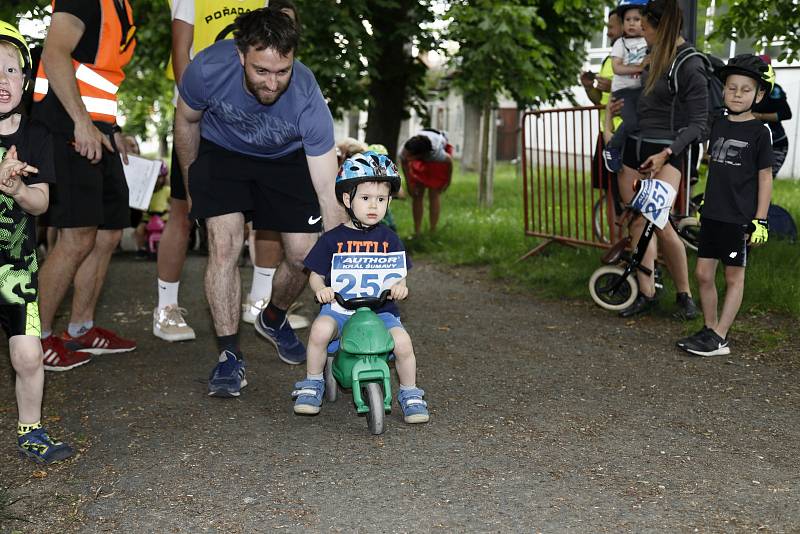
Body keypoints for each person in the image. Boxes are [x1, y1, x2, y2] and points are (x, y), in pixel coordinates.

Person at [174, 8, 344, 397]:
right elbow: (186, 121)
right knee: (224, 245)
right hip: (222, 153)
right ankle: (229, 356)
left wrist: (339, 249)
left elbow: (324, 183)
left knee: (306, 255)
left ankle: (273, 316)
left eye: (282, 71)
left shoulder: (306, 95)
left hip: (284, 159)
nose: (272, 83)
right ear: (240, 56)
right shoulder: (207, 68)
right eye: (261, 71)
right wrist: (192, 183)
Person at [31, 0, 138, 368]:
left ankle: (81, 329)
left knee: (107, 232)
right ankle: (36, 340)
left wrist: (113, 128)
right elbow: (55, 52)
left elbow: (97, 77)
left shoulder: (120, 6)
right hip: (66, 126)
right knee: (77, 236)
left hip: (97, 127)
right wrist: (80, 122)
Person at [154, 0, 268, 342]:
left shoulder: (259, 1)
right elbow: (180, 53)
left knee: (255, 214)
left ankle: (257, 302)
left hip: (245, 122)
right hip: (199, 118)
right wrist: (196, 107)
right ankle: (166, 308)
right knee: (183, 211)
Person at [293, 151, 429, 423]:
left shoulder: (389, 239)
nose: (373, 206)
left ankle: (410, 392)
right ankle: (312, 382)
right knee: (320, 331)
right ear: (347, 199)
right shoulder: (332, 239)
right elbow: (315, 274)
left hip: (380, 309)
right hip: (340, 308)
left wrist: (400, 286)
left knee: (402, 343)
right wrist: (321, 288)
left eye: (381, 199)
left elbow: (397, 273)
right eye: (365, 198)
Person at [0, 21, 74, 463]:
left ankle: (31, 430)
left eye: (10, 70)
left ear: (25, 81)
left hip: (16, 268)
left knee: (29, 357)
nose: (0, 80)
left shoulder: (36, 137)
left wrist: (16, 191)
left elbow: (42, 203)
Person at [676, 56, 774, 357]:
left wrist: (761, 220)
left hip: (738, 219)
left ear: (758, 95)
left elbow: (765, 178)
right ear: (724, 91)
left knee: (733, 277)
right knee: (704, 274)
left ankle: (720, 338)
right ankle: (709, 327)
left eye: (746, 89)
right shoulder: (718, 124)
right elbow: (716, 169)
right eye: (732, 88)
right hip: (713, 215)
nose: (738, 94)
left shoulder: (760, 133)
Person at [613, 0, 701, 320]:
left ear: (661, 28)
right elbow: (645, 105)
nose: (642, 35)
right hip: (639, 147)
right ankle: (647, 294)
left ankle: (685, 298)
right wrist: (621, 114)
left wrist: (667, 153)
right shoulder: (653, 59)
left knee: (658, 222)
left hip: (670, 152)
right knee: (639, 222)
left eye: (647, 28)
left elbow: (699, 123)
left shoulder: (689, 62)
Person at [601, 0, 649, 172]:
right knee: (631, 122)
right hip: (624, 91)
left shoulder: (648, 41)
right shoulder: (620, 44)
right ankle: (612, 148)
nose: (632, 23)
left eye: (636, 19)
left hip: (642, 89)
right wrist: (639, 67)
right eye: (628, 20)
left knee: (645, 122)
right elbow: (617, 67)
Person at [580, 10, 623, 193]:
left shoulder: (636, 59)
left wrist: (614, 87)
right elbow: (598, 99)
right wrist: (589, 87)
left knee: (624, 190)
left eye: (611, 27)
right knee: (607, 189)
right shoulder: (609, 59)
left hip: (624, 133)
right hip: (604, 133)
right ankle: (613, 223)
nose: (608, 33)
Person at [398, 128, 453, 235]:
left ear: (418, 156)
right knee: (417, 194)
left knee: (434, 193)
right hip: (422, 148)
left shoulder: (437, 154)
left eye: (409, 155)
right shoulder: (405, 150)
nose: (405, 155)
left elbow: (449, 162)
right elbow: (405, 164)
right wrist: (409, 186)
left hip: (434, 155)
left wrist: (447, 181)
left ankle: (433, 229)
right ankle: (417, 231)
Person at [753, 55, 792, 178]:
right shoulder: (748, 87)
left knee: (764, 181)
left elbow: (786, 114)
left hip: (775, 144)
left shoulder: (774, 90)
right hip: (753, 142)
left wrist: (759, 116)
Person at [134, 161, 170, 259]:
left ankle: (170, 248)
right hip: (148, 219)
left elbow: (172, 203)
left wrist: (170, 209)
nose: (157, 180)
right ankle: (141, 249)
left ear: (164, 177)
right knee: (139, 230)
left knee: (170, 231)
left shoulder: (166, 190)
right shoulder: (146, 191)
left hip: (163, 219)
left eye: (159, 178)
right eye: (155, 178)